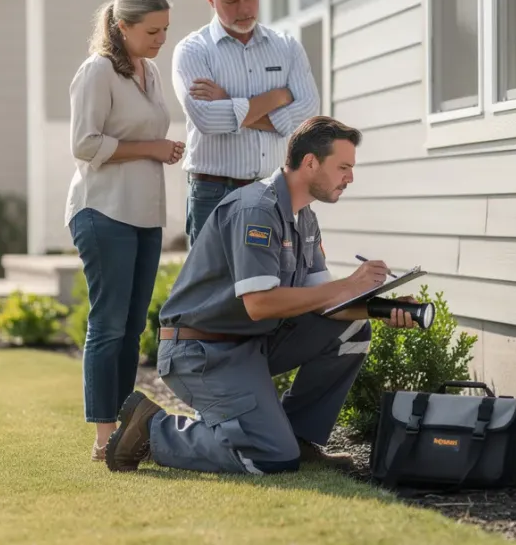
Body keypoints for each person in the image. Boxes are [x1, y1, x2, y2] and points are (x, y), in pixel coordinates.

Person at [102, 116, 419, 475]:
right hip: (202, 352)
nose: (350, 178)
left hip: (250, 345)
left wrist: (381, 308)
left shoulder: (304, 218)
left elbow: (324, 301)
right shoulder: (256, 209)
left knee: (353, 331)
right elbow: (259, 304)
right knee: (270, 458)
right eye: (343, 167)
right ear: (310, 162)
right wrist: (349, 284)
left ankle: (299, 438)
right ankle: (152, 428)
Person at [65, 0, 186, 462]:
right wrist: (152, 149)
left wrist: (164, 150)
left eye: (165, 30)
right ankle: (104, 437)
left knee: (134, 326)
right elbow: (85, 145)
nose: (161, 39)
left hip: (143, 216)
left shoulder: (149, 70)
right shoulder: (97, 72)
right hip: (103, 212)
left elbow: (143, 134)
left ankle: (123, 430)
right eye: (152, 31)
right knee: (109, 325)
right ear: (122, 27)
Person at [171, 0, 321, 246]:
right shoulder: (192, 51)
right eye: (231, 2)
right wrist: (277, 97)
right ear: (211, 0)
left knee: (274, 284)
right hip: (213, 193)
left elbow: (306, 114)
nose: (244, 9)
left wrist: (229, 101)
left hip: (274, 190)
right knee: (212, 288)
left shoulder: (286, 46)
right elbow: (207, 120)